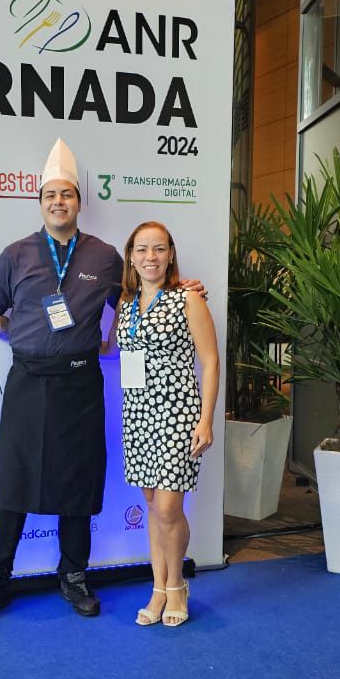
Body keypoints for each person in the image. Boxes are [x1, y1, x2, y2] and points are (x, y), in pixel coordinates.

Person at [0, 140, 203, 624]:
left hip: (81, 383)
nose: (59, 202)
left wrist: (183, 288)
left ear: (79, 202)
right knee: (13, 480)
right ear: (40, 202)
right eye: (51, 195)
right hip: (28, 381)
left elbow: (141, 296)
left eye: (68, 195)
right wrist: (25, 334)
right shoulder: (15, 255)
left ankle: (73, 574)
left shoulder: (105, 256)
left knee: (78, 480)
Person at [115, 221, 219, 628]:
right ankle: (157, 589)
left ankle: (176, 585)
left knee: (170, 507)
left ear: (171, 254)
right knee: (153, 508)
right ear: (131, 257)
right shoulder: (125, 303)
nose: (150, 257)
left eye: (158, 249)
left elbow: (209, 361)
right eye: (142, 250)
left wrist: (206, 419)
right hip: (138, 414)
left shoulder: (189, 298)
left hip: (178, 413)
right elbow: (116, 350)